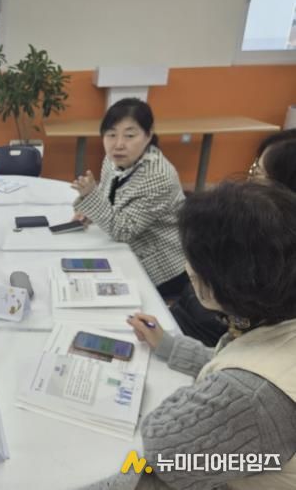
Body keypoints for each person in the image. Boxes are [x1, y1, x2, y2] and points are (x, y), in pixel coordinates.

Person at [126, 181, 296, 489]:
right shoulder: (277, 321)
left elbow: (162, 457)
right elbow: (251, 362)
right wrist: (169, 346)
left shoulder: (248, 398)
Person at [171, 128, 296, 346]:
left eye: (258, 174)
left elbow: (231, 344)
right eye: (253, 169)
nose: (248, 182)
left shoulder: (263, 261)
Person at [71, 98, 187, 298]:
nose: (118, 145)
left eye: (130, 135)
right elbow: (109, 196)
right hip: (126, 246)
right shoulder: (114, 159)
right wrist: (89, 210)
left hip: (160, 266)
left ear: (148, 135)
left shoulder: (159, 177)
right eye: (111, 135)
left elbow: (123, 230)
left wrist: (90, 197)